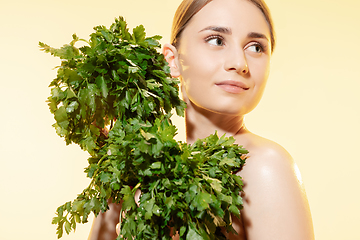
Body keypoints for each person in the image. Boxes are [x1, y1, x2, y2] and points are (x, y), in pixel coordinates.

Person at [89, 0, 315, 239]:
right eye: (217, 40)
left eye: (256, 47)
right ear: (173, 61)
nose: (239, 63)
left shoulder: (265, 166)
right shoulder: (150, 171)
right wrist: (115, 172)